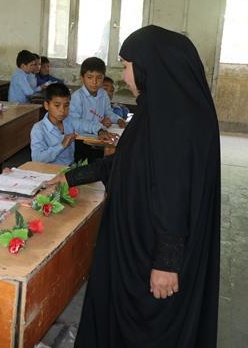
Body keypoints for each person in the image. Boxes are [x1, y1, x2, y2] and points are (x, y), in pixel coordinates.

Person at [47, 25, 220, 347]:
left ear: (150, 66)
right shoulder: (156, 109)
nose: (124, 77)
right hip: (136, 242)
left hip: (153, 254)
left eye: (127, 66)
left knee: (150, 327)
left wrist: (166, 262)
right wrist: (72, 176)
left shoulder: (178, 120)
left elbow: (175, 193)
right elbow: (128, 162)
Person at [30, 83, 113, 165]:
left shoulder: (68, 121)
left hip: (70, 167)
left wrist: (100, 131)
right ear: (46, 105)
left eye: (66, 105)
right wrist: (61, 145)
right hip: (49, 170)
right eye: (57, 105)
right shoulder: (38, 129)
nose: (62, 110)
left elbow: (86, 124)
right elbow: (37, 158)